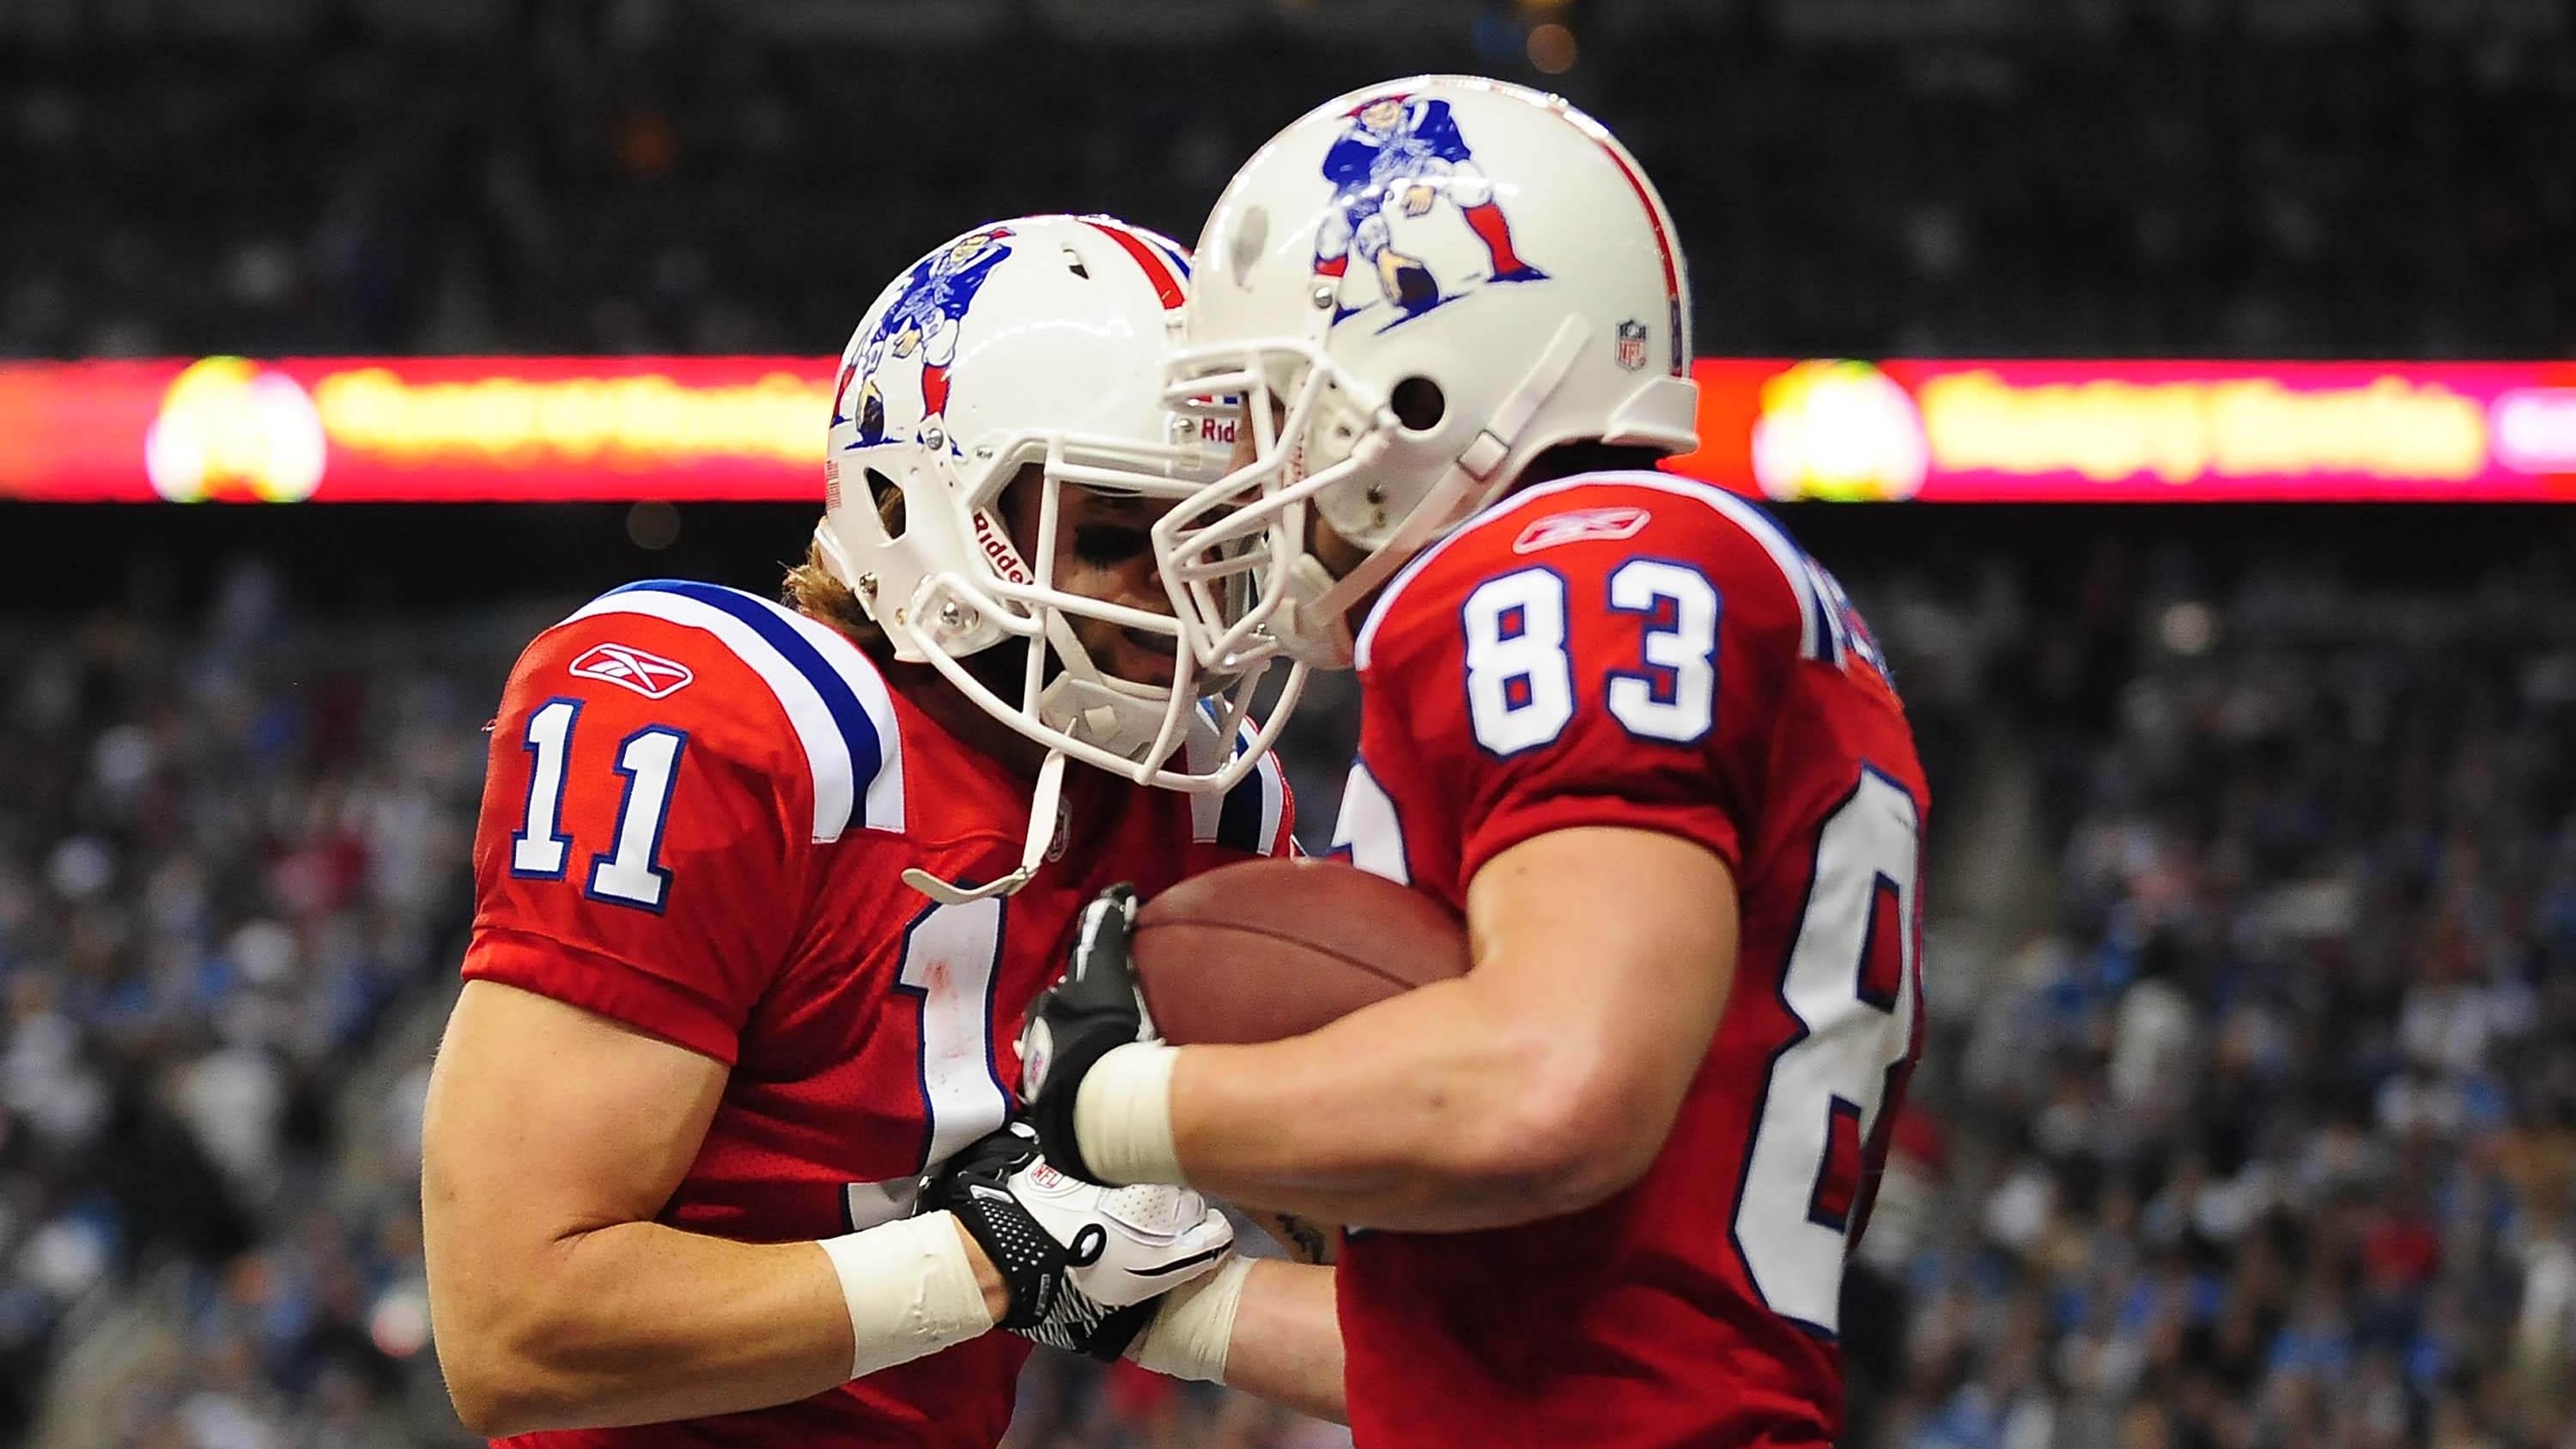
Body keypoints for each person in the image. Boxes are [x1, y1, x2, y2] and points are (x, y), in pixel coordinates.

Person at [1018, 79, 1931, 1446]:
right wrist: (1132, 1296)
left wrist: (1127, 1099)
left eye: (1276, 413)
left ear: (1425, 380)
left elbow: (1556, 1088)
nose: (1249, 476)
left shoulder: (1576, 562)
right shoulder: (1672, 574)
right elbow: (1510, 1348)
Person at [421, 214, 1339, 1447]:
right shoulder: (738, 726)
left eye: (1220, 547)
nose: (1178, 604)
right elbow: (515, 1327)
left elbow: (1410, 1312)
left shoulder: (1212, 809)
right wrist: (987, 1266)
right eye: (1119, 536)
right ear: (922, 499)